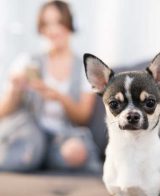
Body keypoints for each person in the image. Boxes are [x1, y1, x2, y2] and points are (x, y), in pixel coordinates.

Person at [0, 0, 101, 172]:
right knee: (28, 149)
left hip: (63, 135)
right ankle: (35, 155)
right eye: (46, 24)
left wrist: (60, 97)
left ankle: (40, 156)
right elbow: (3, 112)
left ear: (70, 24)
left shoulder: (85, 68)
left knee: (76, 153)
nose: (52, 30)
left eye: (58, 22)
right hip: (30, 131)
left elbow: (83, 117)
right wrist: (15, 90)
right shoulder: (27, 61)